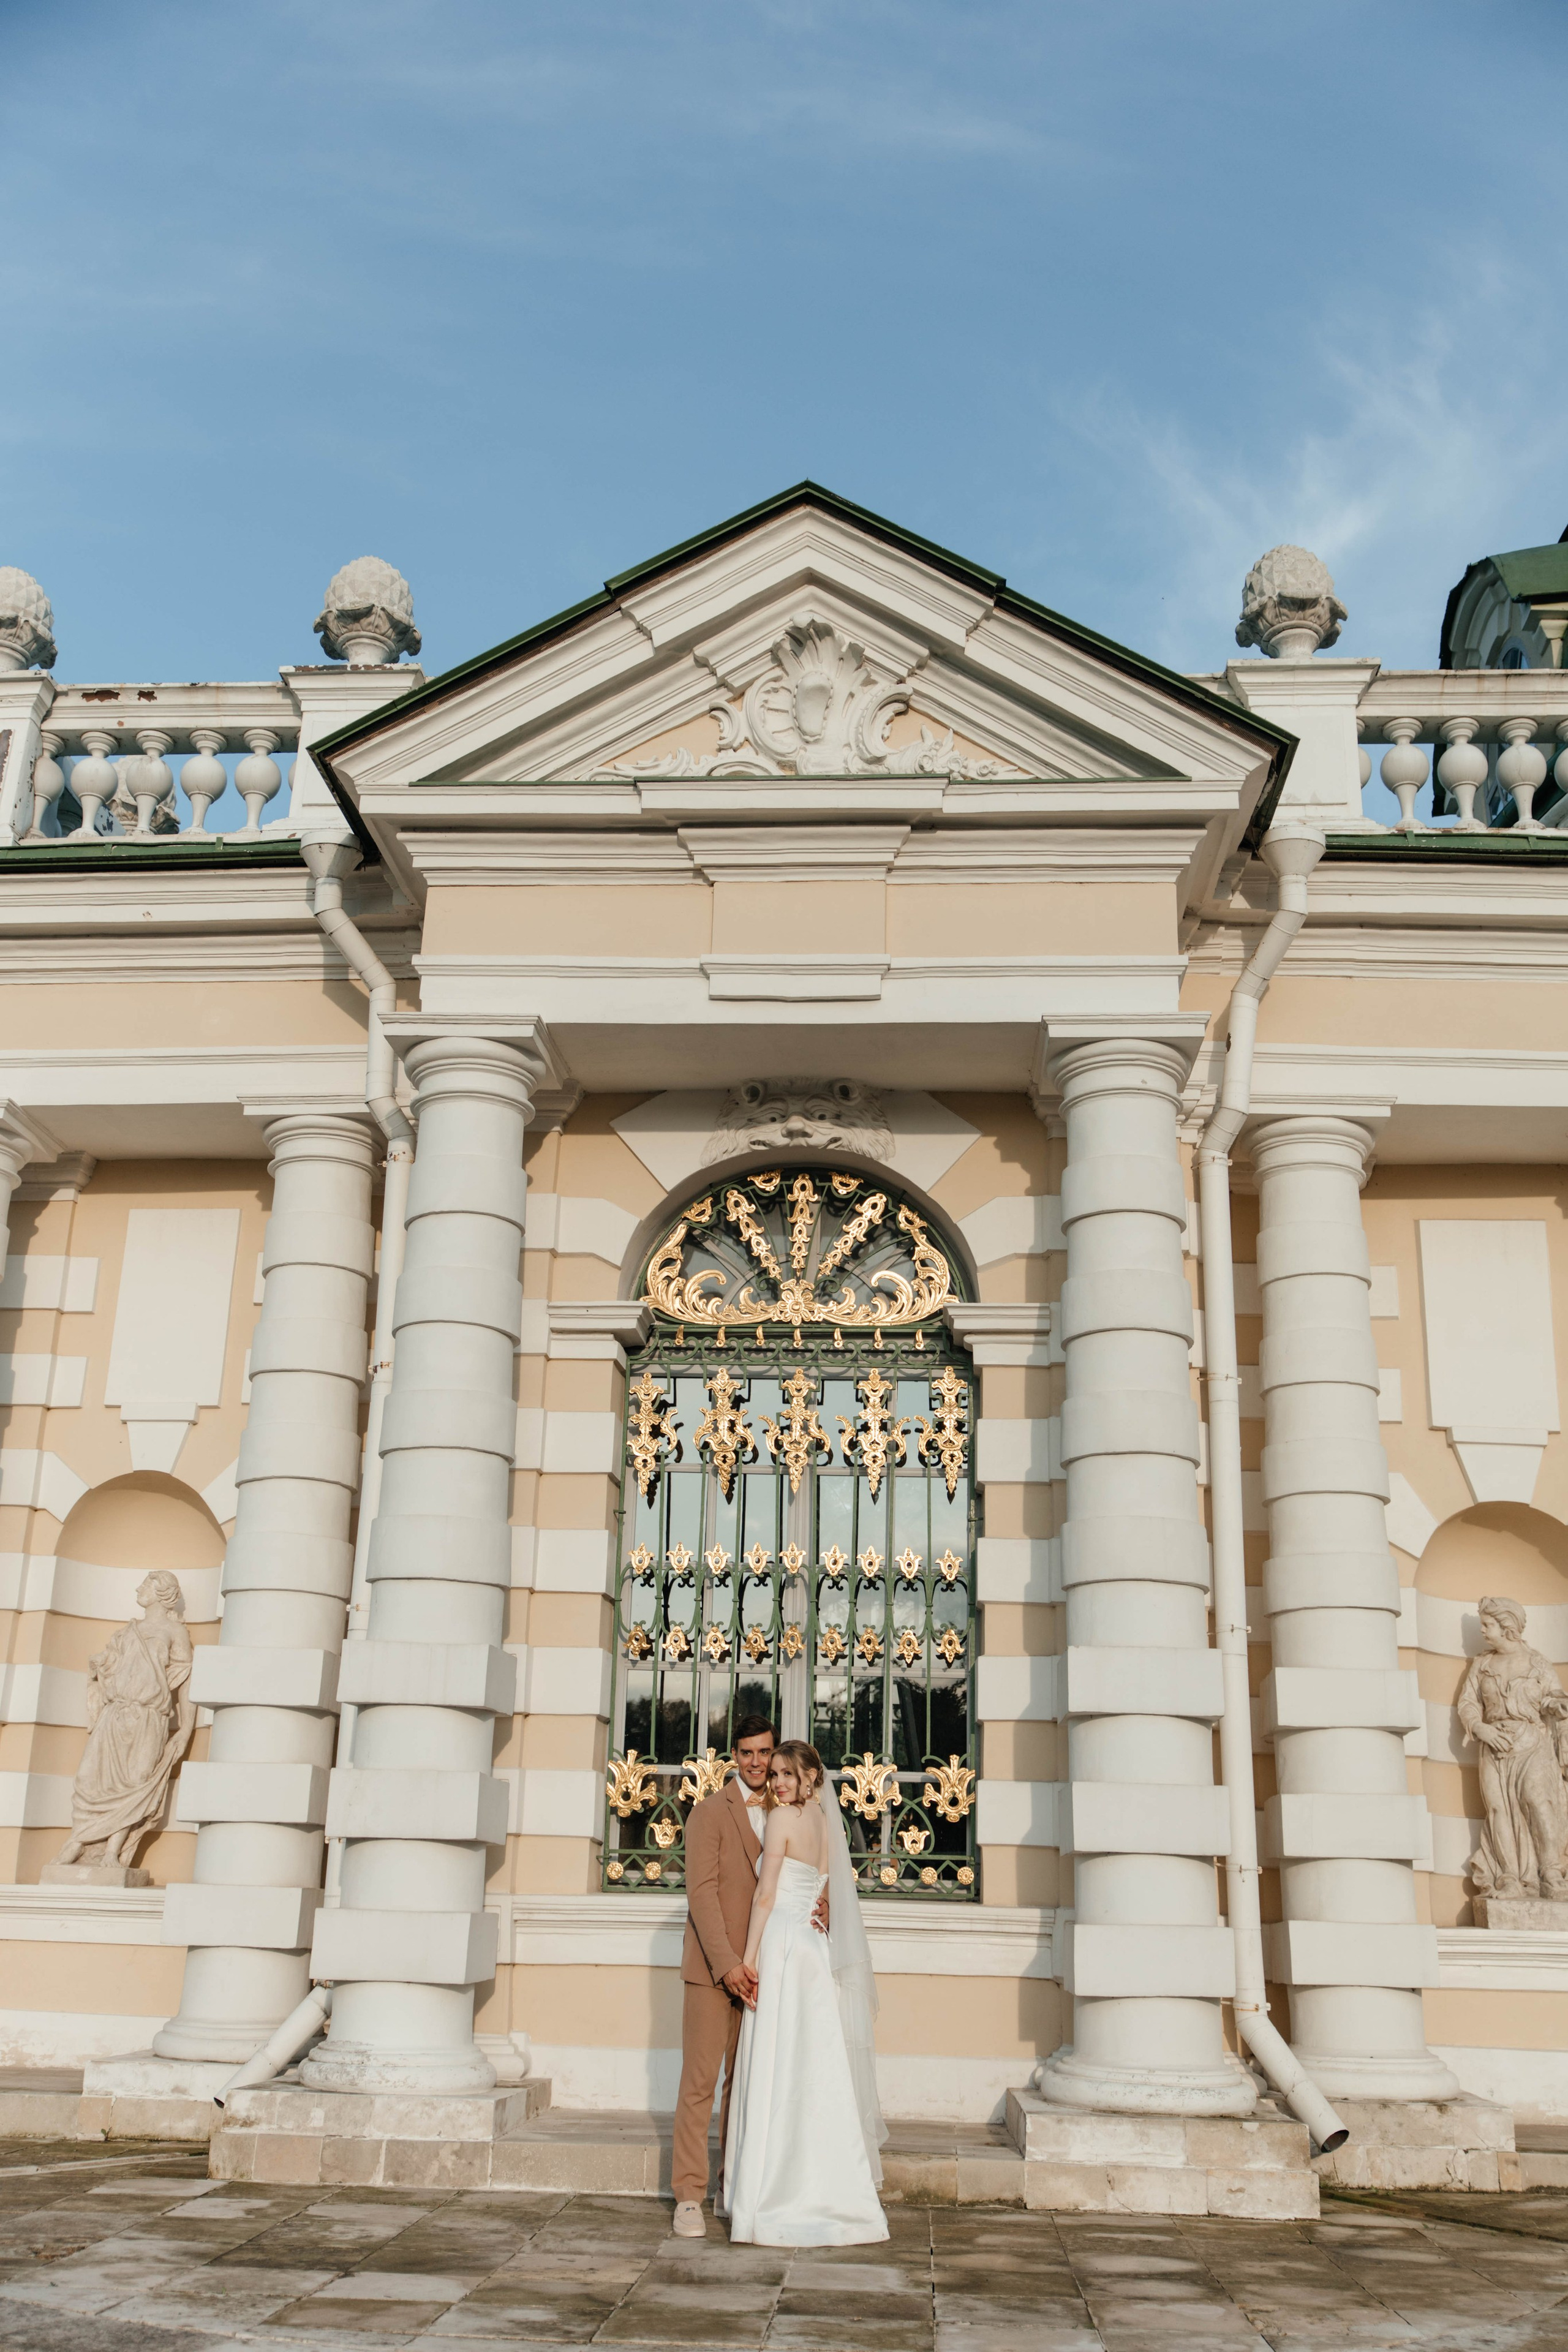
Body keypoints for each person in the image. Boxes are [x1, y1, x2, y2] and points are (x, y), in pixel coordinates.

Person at [723, 1738, 888, 2247]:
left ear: (811, 1777)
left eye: (787, 1775)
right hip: (815, 1950)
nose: (777, 1783)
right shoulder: (823, 1823)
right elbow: (830, 1888)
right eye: (774, 1775)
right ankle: (830, 2187)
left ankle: (769, 2193)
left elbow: (766, 1895)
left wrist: (748, 1961)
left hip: (785, 1948)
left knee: (777, 2067)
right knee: (814, 2071)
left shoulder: (783, 1820)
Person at [671, 1713, 779, 2239]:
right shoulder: (709, 1813)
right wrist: (728, 1965)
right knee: (700, 2083)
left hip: (765, 1972)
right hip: (713, 1971)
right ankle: (689, 2196)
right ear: (733, 1756)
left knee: (747, 2086)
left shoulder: (789, 1811)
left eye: (764, 1753)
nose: (757, 1763)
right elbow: (702, 1895)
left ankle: (729, 2184)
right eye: (747, 1753)